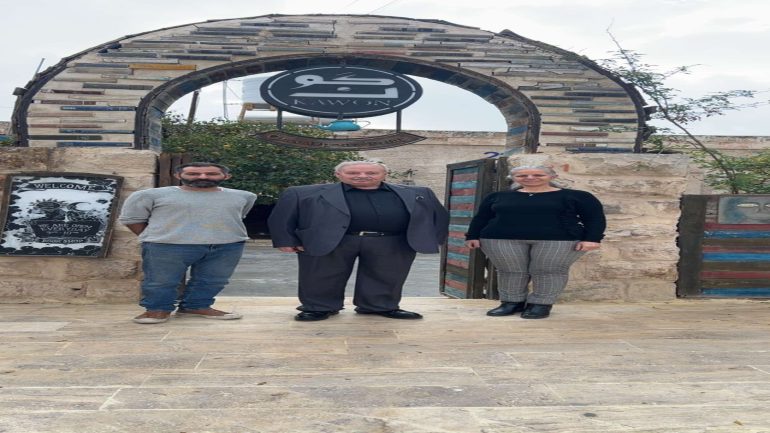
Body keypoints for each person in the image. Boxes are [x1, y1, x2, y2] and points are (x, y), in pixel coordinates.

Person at [268, 160, 449, 321]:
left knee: (388, 275)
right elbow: (282, 217)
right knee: (321, 275)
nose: (362, 176)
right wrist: (285, 240)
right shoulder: (302, 193)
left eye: (371, 172)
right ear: (338, 174)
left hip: (392, 241)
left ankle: (379, 306)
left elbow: (439, 216)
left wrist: (435, 238)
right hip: (330, 239)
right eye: (353, 172)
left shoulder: (420, 192)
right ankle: (318, 307)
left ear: (385, 174)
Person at [118, 162, 257, 324]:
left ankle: (196, 306)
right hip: (167, 245)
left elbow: (238, 215)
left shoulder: (245, 196)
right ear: (178, 175)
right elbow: (132, 219)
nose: (203, 176)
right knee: (161, 281)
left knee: (213, 280)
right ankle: (156, 310)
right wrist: (156, 236)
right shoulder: (150, 195)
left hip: (227, 245)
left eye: (211, 174)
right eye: (193, 174)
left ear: (226, 176)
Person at [464, 165, 605, 319]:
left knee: (549, 271)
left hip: (560, 240)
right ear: (513, 178)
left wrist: (592, 239)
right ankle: (511, 302)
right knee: (510, 271)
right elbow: (481, 217)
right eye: (522, 175)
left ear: (553, 176)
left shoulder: (577, 196)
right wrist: (472, 236)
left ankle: (541, 304)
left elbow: (594, 218)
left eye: (538, 174)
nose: (530, 178)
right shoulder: (497, 196)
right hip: (500, 239)